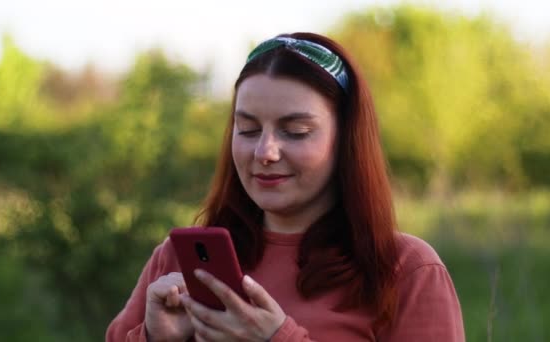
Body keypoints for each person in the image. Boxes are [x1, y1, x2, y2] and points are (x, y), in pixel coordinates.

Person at [106, 32, 465, 341]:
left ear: (346, 140)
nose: (265, 152)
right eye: (247, 129)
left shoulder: (405, 271)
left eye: (295, 131)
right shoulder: (179, 259)